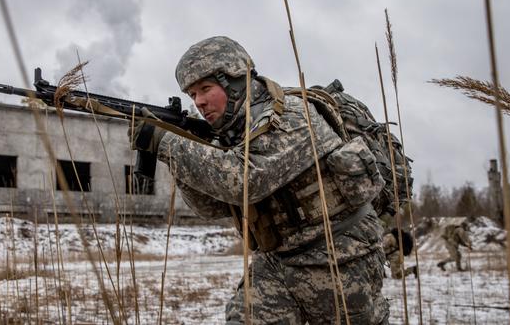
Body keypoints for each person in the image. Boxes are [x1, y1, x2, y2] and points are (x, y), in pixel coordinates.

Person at [129, 36, 389, 324]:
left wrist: (168, 144)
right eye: (192, 94)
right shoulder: (233, 136)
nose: (199, 101)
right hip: (278, 261)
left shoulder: (290, 115)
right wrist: (180, 148)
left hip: (340, 256)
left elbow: (245, 181)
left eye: (205, 88)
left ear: (236, 81)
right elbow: (212, 206)